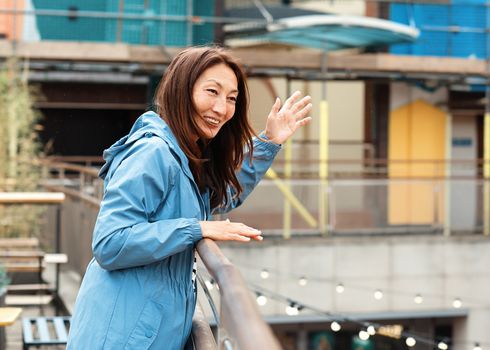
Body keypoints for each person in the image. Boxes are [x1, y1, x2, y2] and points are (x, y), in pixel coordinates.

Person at [67, 46, 312, 350]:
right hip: (121, 335)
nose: (222, 108)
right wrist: (197, 229)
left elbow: (217, 199)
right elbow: (110, 242)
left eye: (231, 98)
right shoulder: (154, 152)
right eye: (212, 91)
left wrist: (269, 142)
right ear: (182, 90)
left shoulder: (183, 154)